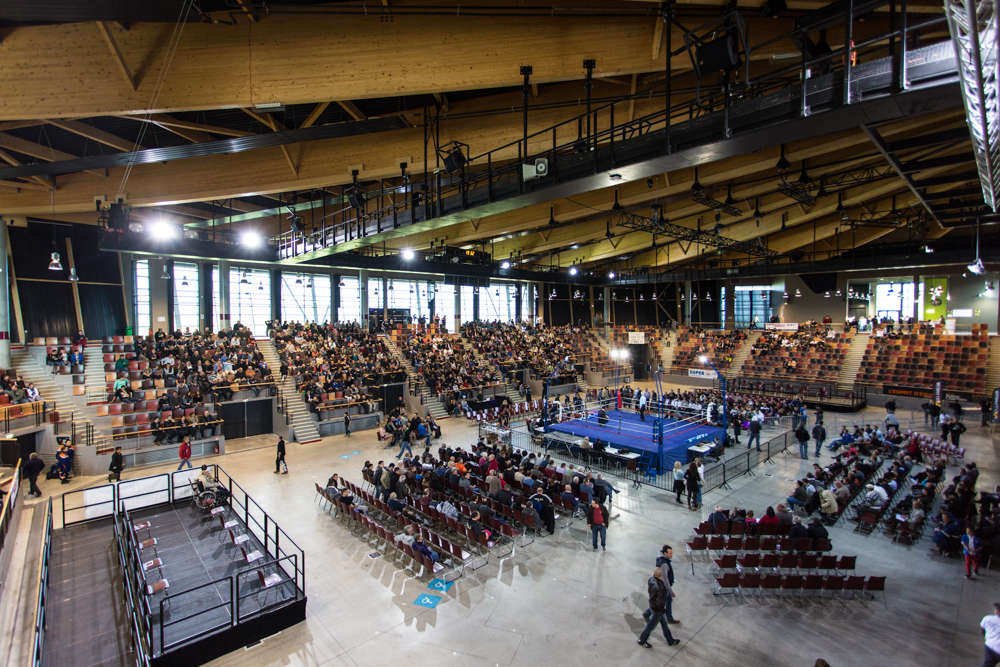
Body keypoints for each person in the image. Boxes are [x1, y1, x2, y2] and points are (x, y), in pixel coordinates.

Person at [637, 567, 680, 649]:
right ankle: (642, 640)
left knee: (664, 624)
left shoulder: (651, 580)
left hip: (652, 605)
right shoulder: (661, 587)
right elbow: (660, 602)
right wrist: (661, 610)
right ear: (662, 575)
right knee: (651, 626)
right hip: (657, 610)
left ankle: (670, 640)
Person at [643, 546, 679, 624]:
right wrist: (671, 591)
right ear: (665, 553)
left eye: (672, 553)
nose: (672, 555)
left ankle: (668, 617)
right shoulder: (664, 564)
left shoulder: (661, 558)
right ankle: (648, 614)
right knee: (665, 601)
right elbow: (665, 579)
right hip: (664, 586)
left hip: (661, 584)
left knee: (667, 601)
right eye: (670, 553)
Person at [982, 603, 1000, 667]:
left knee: (987, 664)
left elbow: (983, 630)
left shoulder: (987, 618)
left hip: (990, 645)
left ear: (996, 611)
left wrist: (987, 638)